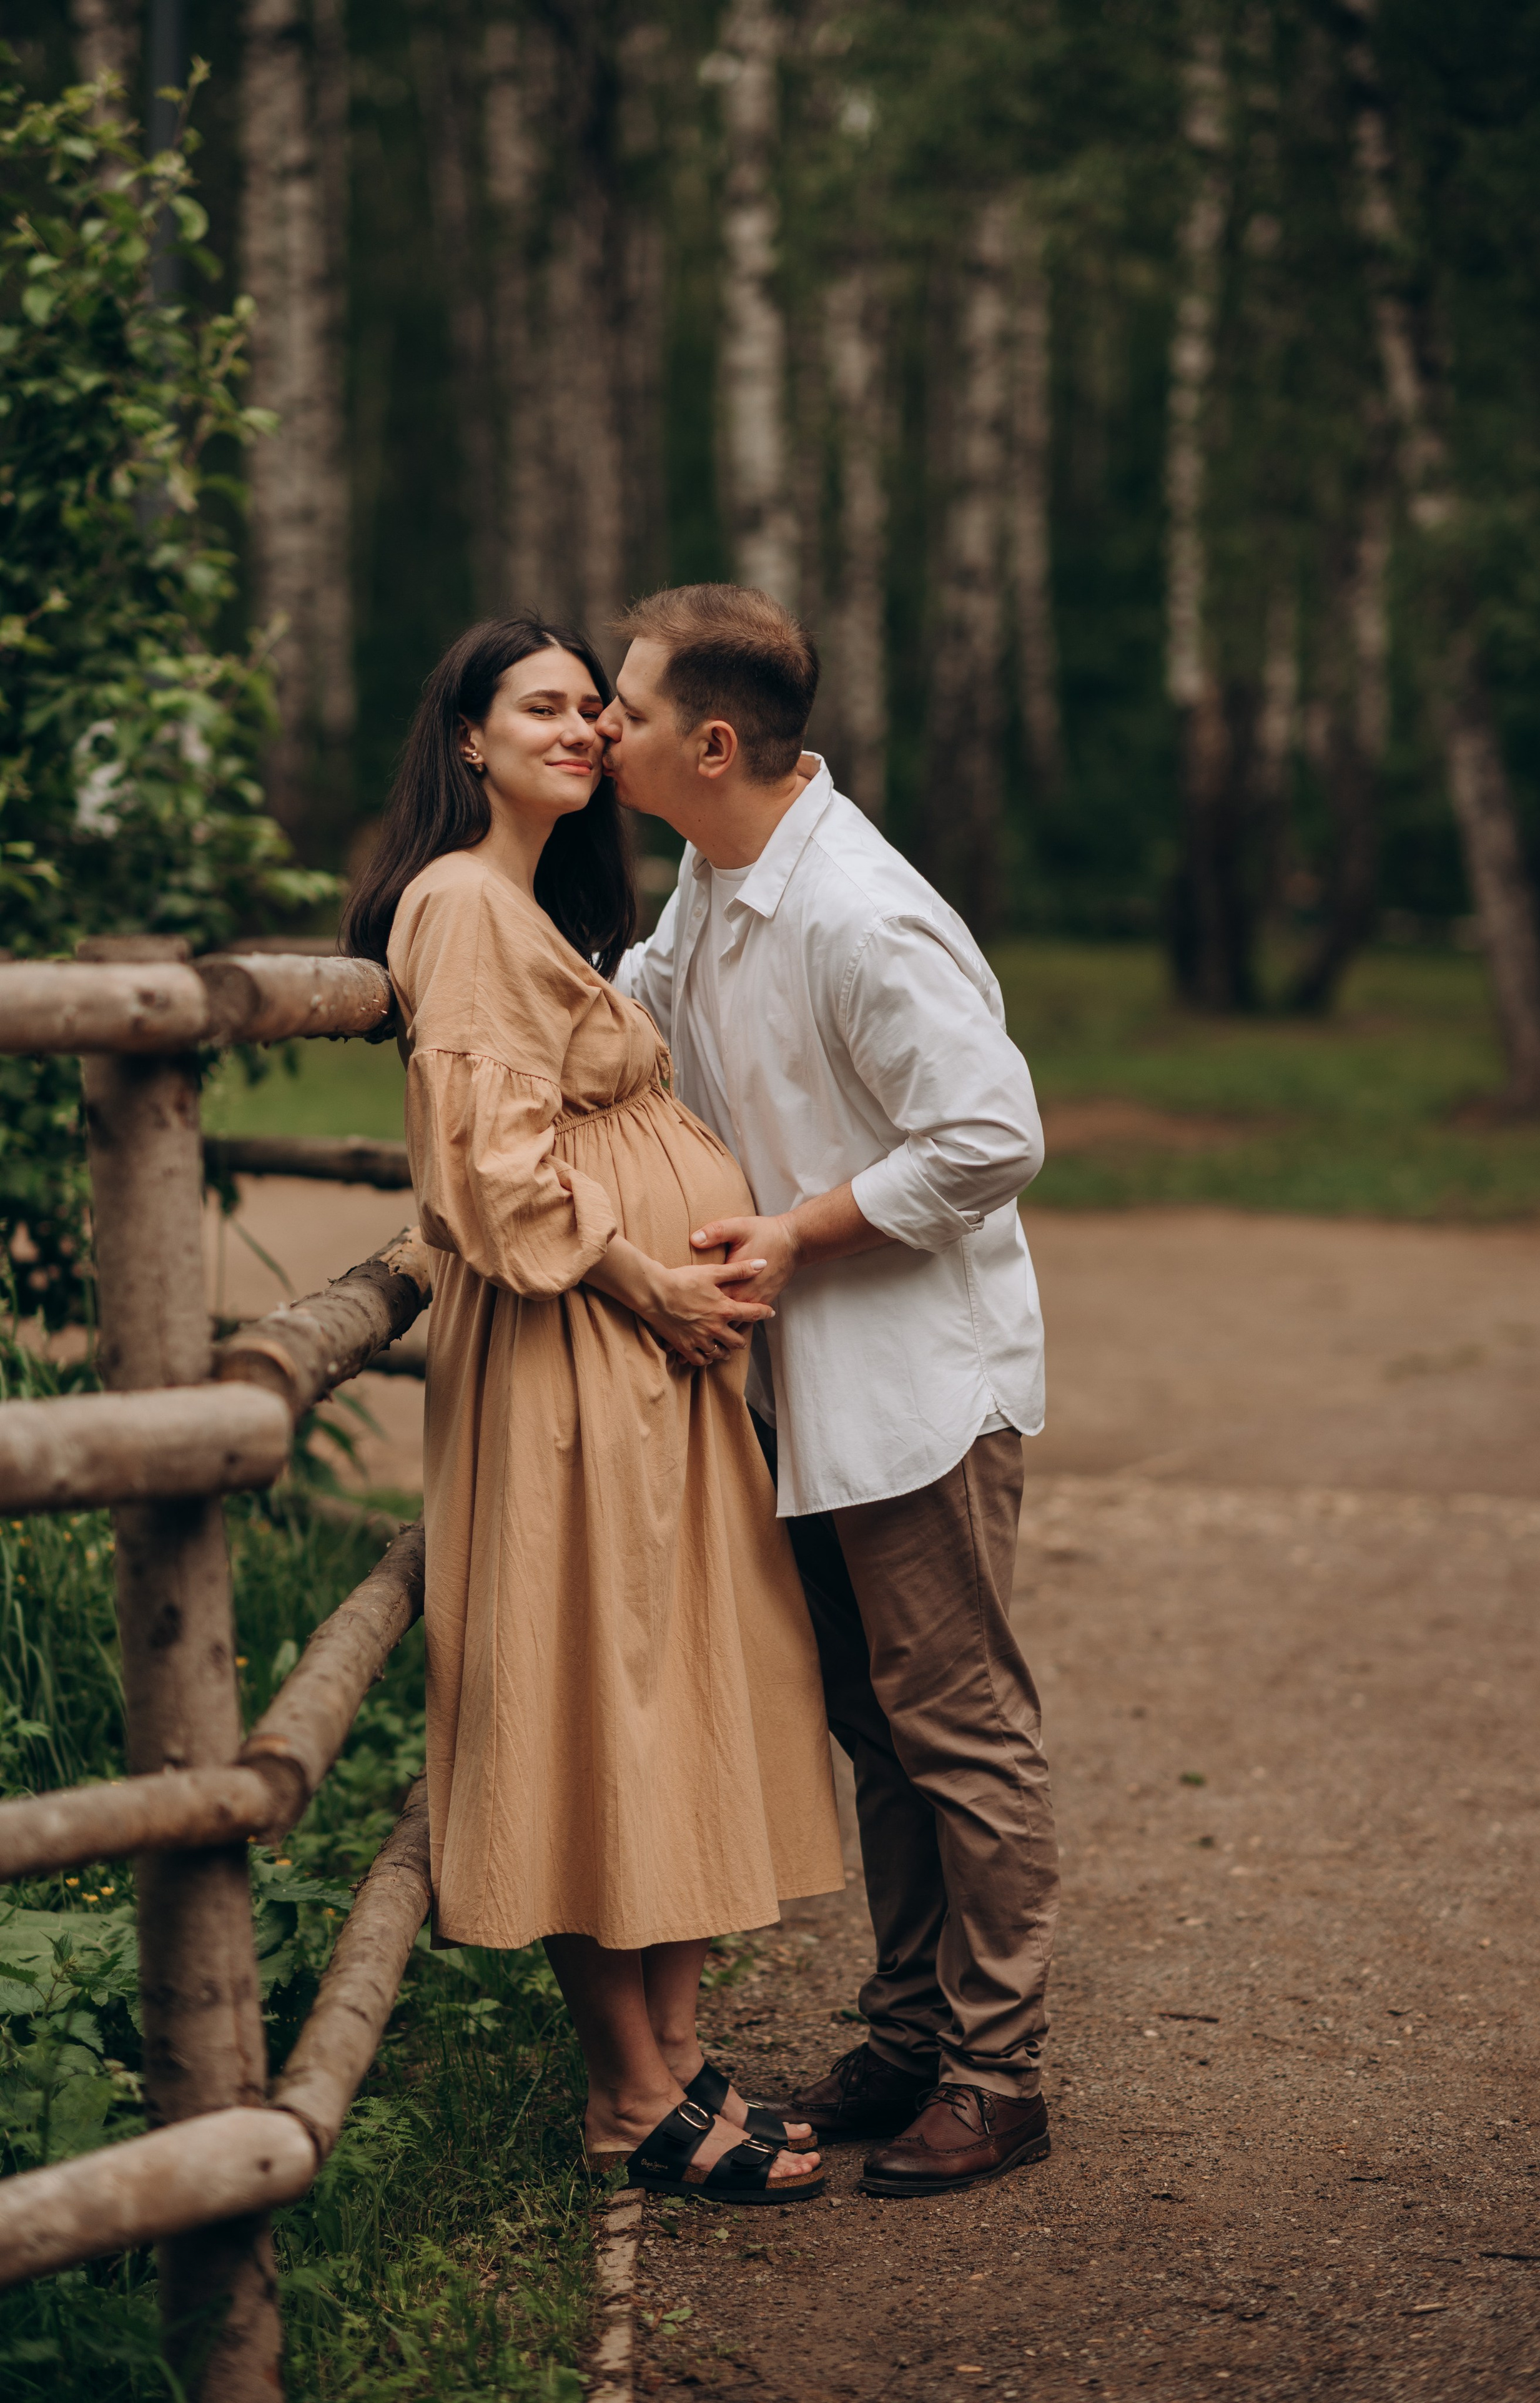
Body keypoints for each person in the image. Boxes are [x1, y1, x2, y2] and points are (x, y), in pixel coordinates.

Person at [342, 612, 842, 2204]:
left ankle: (680, 2054)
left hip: (643, 1357)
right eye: (538, 707)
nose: (576, 729)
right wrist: (652, 1285)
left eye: (588, 707)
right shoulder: (461, 905)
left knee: (679, 1674)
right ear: (465, 738)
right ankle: (626, 2092)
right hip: (579, 1351)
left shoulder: (540, 902)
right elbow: (488, 1169)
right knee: (594, 1692)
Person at [602, 583, 1059, 2199]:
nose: (606, 726)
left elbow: (995, 1138)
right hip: (812, 1388)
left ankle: (999, 2076)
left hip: (916, 1386)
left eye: (630, 708)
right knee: (879, 1722)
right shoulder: (719, 875)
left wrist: (795, 1231)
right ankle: (914, 2031)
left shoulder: (863, 915)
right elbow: (640, 1010)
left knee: (959, 1728)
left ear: (712, 743)